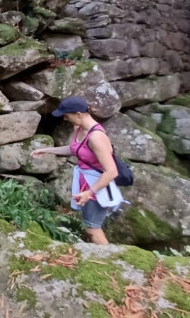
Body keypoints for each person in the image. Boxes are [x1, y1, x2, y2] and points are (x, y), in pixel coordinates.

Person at [31, 97, 123, 245]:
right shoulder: (80, 129)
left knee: (93, 229)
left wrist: (90, 192)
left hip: (98, 186)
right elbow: (75, 149)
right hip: (86, 182)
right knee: (88, 225)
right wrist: (48, 150)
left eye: (67, 116)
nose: (65, 119)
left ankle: (110, 260)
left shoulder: (97, 137)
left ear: (79, 114)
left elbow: (111, 172)